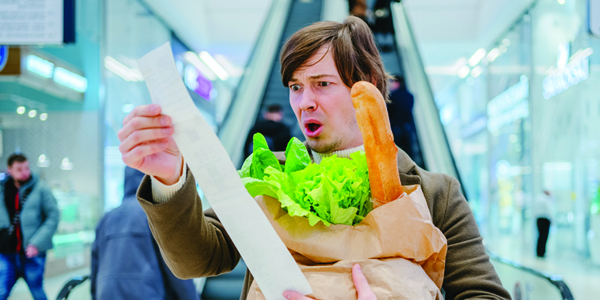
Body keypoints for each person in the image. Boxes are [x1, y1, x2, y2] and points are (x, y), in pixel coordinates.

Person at [118, 17, 511, 299]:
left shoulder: (433, 191)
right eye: (295, 87)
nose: (304, 103)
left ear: (368, 87)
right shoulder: (268, 176)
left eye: (322, 84)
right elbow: (199, 259)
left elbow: (484, 294)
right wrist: (170, 179)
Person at [91, 167, 198, 300]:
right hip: (146, 293)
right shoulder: (158, 213)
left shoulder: (106, 218)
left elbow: (95, 268)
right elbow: (178, 270)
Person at [0, 153, 59, 300]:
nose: (25, 172)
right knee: (2, 291)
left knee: (37, 291)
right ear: (10, 170)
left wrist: (36, 243)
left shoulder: (41, 189)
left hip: (31, 252)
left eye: (26, 167)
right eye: (19, 169)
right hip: (6, 252)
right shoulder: (2, 190)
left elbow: (53, 217)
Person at [533, 190, 553, 258]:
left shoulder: (537, 199)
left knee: (540, 236)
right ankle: (542, 252)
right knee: (544, 237)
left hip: (538, 219)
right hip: (545, 219)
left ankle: (538, 252)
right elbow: (549, 210)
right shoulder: (546, 199)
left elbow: (534, 210)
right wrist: (552, 220)